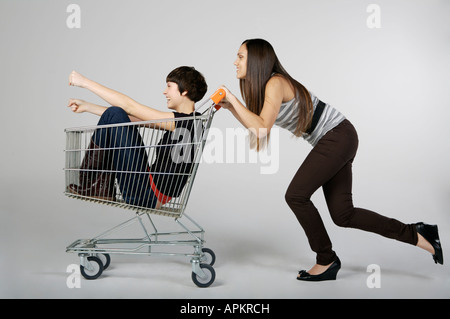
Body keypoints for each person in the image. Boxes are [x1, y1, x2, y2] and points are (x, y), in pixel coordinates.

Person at [218, 38, 443, 281]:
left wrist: (232, 98)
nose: (235, 61)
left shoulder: (275, 83)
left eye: (240, 57)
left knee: (295, 196)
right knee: (343, 215)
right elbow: (258, 126)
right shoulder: (268, 88)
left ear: (257, 61)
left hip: (337, 137)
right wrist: (232, 107)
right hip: (339, 137)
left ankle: (326, 259)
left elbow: (261, 129)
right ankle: (419, 233)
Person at [67, 66, 207, 209]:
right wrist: (88, 107)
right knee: (113, 113)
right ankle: (98, 187)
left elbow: (130, 107)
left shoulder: (186, 122)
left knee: (115, 111)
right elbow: (130, 119)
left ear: (185, 91)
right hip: (147, 187)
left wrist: (85, 82)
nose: (165, 91)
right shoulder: (191, 122)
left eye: (169, 86)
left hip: (146, 194)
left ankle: (92, 185)